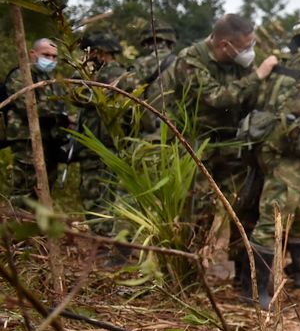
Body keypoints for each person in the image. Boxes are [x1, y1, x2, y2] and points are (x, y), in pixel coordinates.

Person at [149, 14, 277, 252]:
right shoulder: (190, 61)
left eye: (252, 45)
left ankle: (245, 271)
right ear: (223, 45)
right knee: (197, 210)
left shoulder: (241, 63)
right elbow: (216, 98)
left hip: (233, 144)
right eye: (244, 47)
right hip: (197, 146)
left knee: (243, 205)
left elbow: (250, 97)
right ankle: (191, 268)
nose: (249, 52)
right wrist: (258, 76)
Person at [238, 15, 300, 305]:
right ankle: (254, 291)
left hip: (268, 145)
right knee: (275, 214)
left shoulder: (278, 63)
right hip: (289, 151)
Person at [75, 30, 139, 236]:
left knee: (93, 192)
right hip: (117, 145)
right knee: (111, 194)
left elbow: (76, 96)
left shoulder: (97, 78)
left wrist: (81, 72)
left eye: (90, 53)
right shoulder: (128, 76)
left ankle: (102, 238)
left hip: (96, 146)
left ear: (99, 53)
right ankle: (112, 236)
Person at [2, 38, 71, 208]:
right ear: (33, 54)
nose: (51, 60)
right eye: (46, 55)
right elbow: (25, 104)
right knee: (24, 184)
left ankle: (37, 228)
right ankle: (15, 226)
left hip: (50, 140)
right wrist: (58, 115)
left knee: (46, 185)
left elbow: (60, 107)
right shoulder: (21, 75)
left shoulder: (52, 81)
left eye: (54, 57)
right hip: (26, 138)